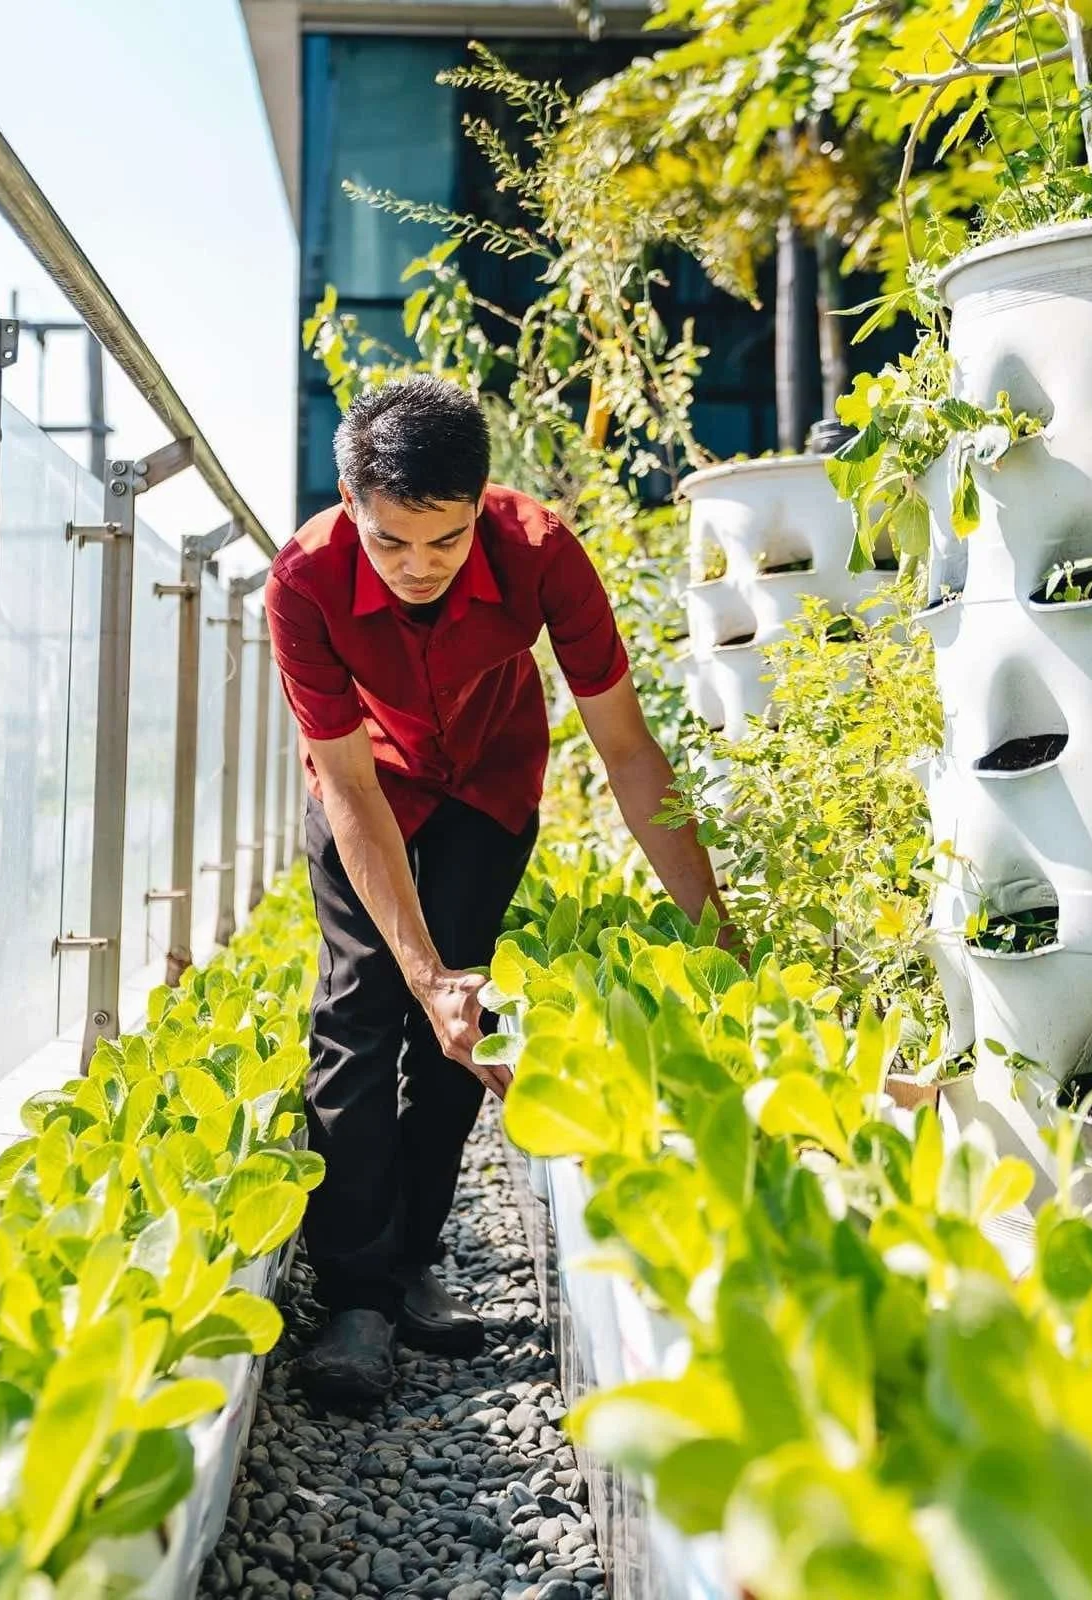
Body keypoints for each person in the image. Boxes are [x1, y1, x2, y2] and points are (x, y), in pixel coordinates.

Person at [264, 375, 722, 1403]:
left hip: (490, 779)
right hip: (367, 783)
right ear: (350, 508)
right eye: (391, 542)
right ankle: (355, 1297)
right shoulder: (302, 581)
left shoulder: (543, 549)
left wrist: (716, 933)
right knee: (360, 1009)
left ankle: (412, 1255)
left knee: (463, 1017)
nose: (418, 565)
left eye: (445, 539)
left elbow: (632, 755)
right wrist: (416, 971)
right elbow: (344, 779)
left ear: (480, 505)